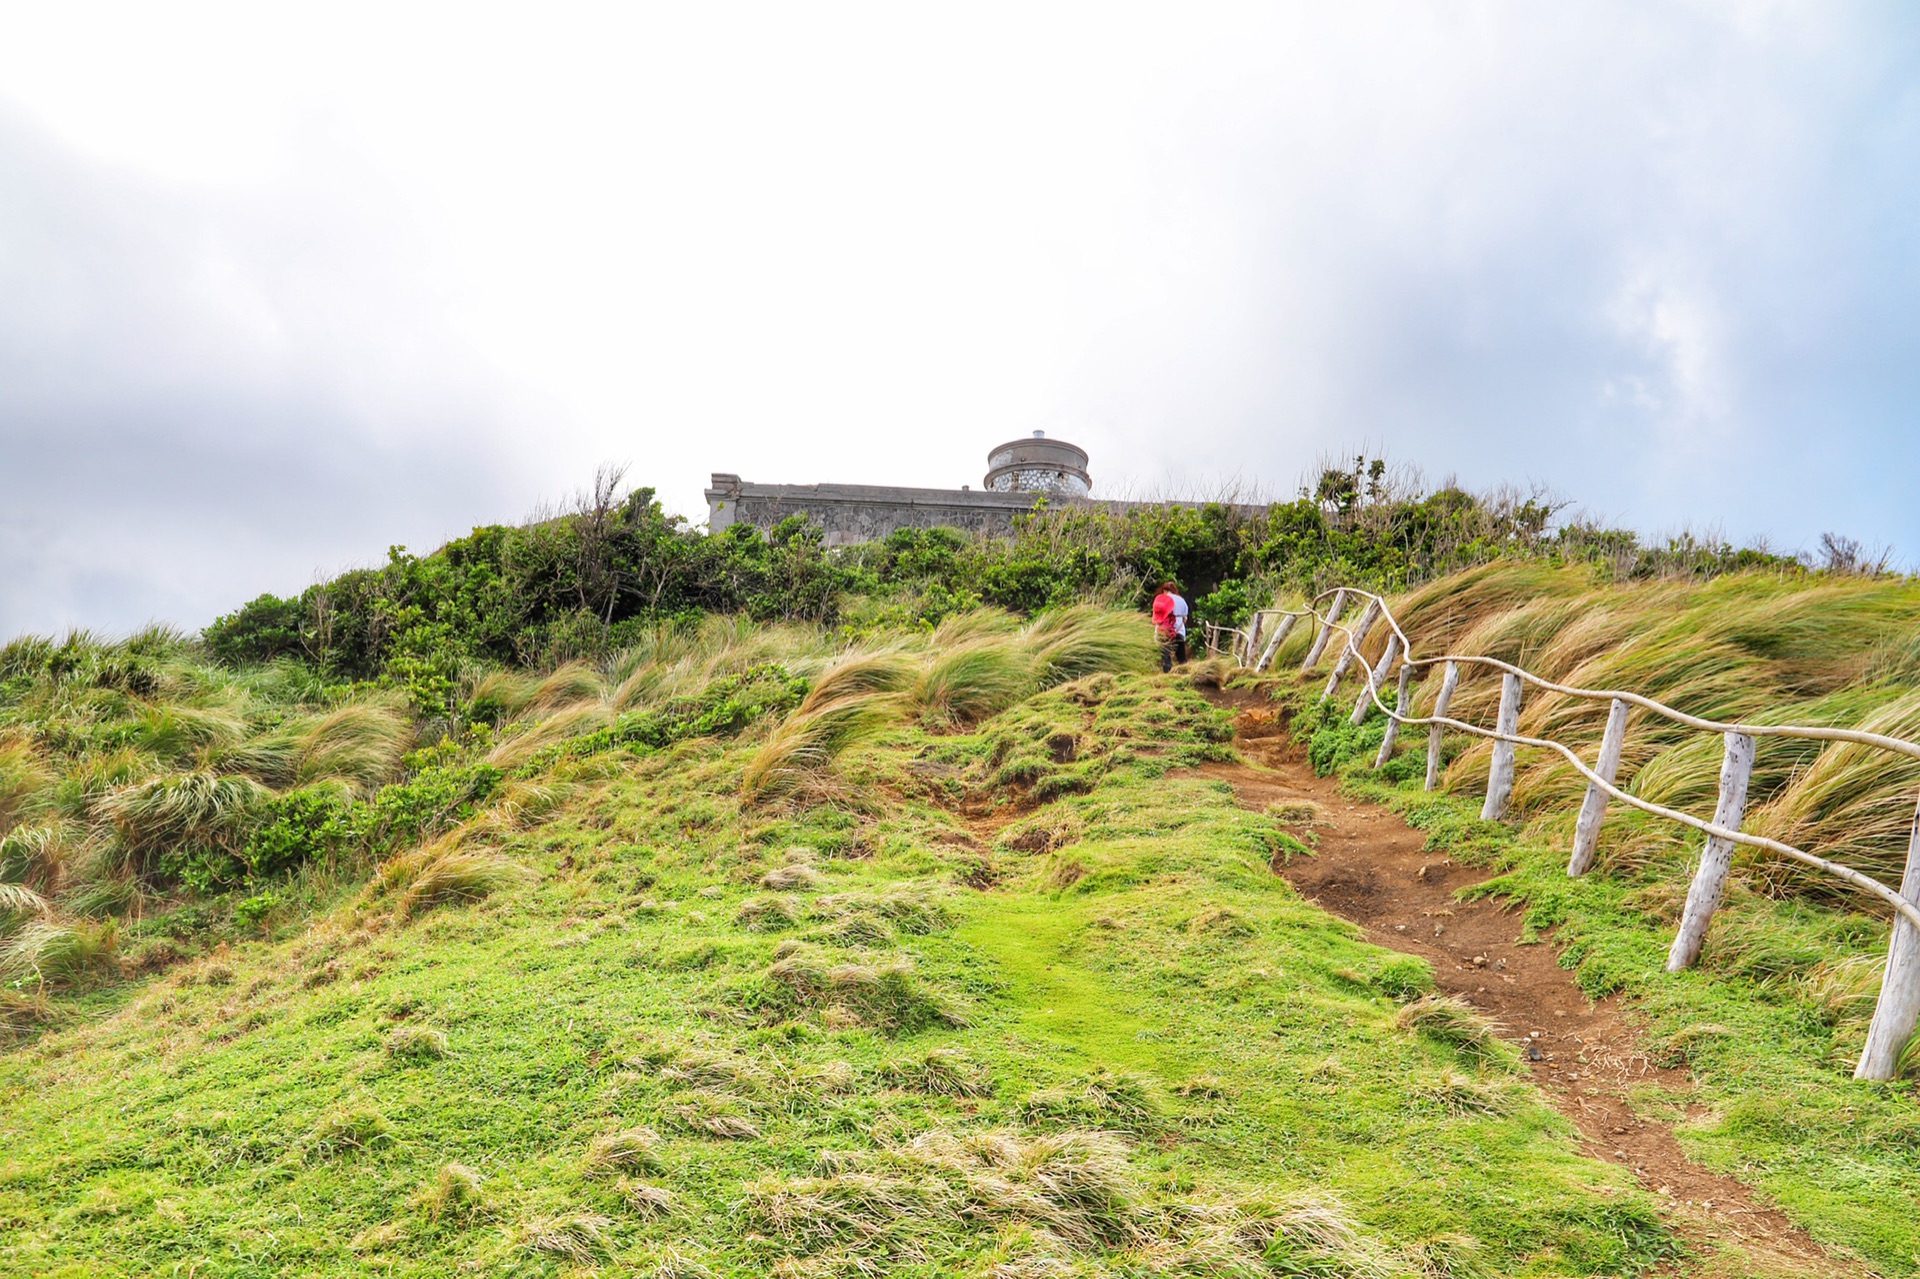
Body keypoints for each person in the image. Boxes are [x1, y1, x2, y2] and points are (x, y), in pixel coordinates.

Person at [1151, 581, 1188, 671]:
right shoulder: (1182, 600)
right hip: (1179, 631)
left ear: (1164, 590)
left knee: (1166, 655)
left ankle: (1167, 673)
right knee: (1181, 657)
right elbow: (1185, 619)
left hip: (1164, 631)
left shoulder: (1161, 600)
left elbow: (1157, 617)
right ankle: (1185, 673)